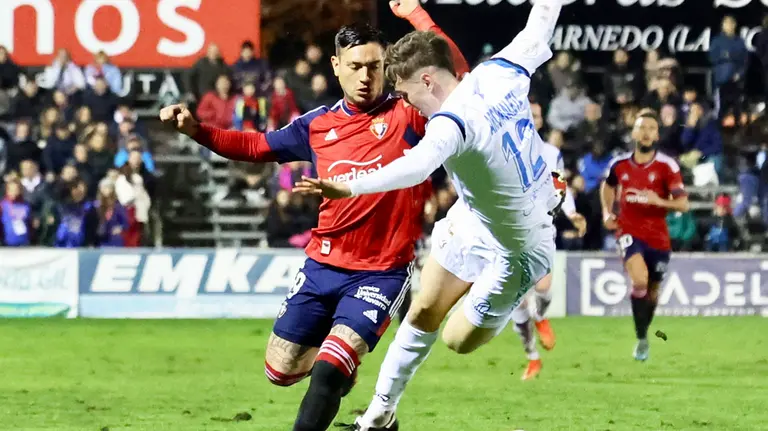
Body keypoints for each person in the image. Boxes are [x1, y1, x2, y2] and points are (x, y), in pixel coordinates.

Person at [158, 2, 469, 430]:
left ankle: (345, 371)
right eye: (357, 66)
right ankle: (367, 396)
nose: (367, 77)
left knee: (327, 371)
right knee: (280, 371)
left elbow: (457, 75)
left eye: (376, 66)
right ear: (336, 66)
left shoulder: (410, 115)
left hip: (380, 273)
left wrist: (417, 15)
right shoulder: (317, 125)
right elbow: (255, 148)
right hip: (322, 264)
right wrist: (197, 131)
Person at [293, 1, 564, 428]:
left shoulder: (451, 124)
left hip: (519, 250)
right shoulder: (498, 71)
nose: (406, 104)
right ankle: (379, 416)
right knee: (421, 314)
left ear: (426, 79)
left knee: (457, 340)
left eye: (404, 93)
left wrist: (349, 185)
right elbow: (541, 22)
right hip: (474, 219)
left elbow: (413, 168)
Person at [600, 109, 690, 361]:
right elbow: (607, 186)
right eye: (642, 127)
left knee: (652, 292)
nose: (646, 132)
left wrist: (658, 200)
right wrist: (608, 212)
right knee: (639, 281)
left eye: (651, 128)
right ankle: (641, 339)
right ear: (633, 132)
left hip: (658, 238)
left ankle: (642, 335)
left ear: (657, 134)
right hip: (628, 231)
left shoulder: (666, 165)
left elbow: (683, 204)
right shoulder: (619, 165)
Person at [513, 139, 587, 381]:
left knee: (543, 289)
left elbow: (559, 186)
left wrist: (572, 213)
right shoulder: (503, 145)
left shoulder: (550, 152)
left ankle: (541, 316)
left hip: (542, 227)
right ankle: (532, 357)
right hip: (509, 230)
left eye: (536, 116)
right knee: (519, 303)